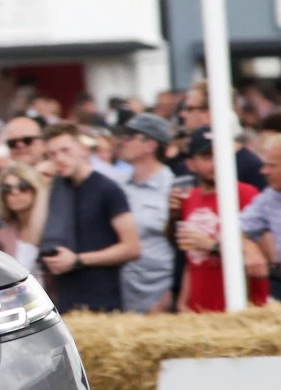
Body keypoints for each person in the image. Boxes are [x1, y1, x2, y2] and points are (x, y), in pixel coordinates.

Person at [39, 124, 141, 313]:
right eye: (52, 154)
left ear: (84, 150)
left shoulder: (107, 189)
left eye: (65, 150)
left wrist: (78, 260)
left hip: (102, 301)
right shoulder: (56, 189)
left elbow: (132, 248)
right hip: (65, 299)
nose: (59, 158)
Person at [172, 127, 270, 312]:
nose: (216, 163)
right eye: (207, 157)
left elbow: (264, 255)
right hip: (198, 307)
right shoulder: (189, 198)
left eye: (220, 154)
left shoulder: (246, 193)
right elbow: (191, 257)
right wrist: (183, 302)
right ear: (191, 164)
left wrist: (212, 245)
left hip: (239, 306)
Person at [112, 113, 176, 313]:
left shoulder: (172, 187)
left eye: (130, 136)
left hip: (158, 292)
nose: (122, 142)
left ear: (150, 145)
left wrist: (169, 296)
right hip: (121, 290)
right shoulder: (117, 185)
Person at [176, 82, 267, 188]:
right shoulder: (185, 161)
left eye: (189, 108)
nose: (182, 114)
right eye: (206, 157)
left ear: (210, 112)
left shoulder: (251, 167)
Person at [241, 133, 281, 302]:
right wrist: (249, 248)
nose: (263, 171)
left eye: (271, 165)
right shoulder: (270, 197)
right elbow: (232, 229)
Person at [0, 162, 48, 274]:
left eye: (23, 187)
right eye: (7, 188)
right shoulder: (2, 235)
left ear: (36, 190)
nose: (14, 192)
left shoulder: (52, 228)